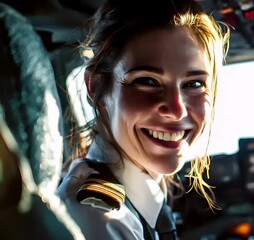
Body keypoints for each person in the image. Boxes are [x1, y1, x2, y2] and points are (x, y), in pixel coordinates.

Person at [57, 0, 230, 239]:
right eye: (147, 81)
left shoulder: (130, 201)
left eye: (194, 84)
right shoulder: (103, 222)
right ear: (95, 86)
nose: (177, 110)